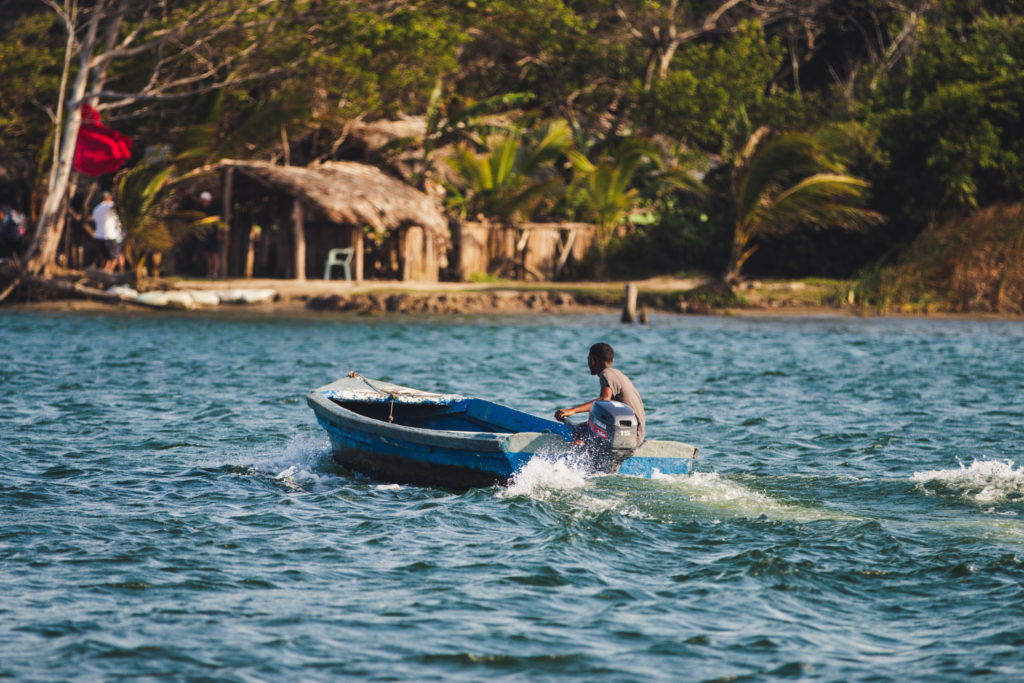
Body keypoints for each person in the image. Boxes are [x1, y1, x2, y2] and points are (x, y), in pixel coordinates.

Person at [555, 342, 647, 444]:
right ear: (611, 360)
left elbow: (604, 400)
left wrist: (572, 410)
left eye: (588, 359)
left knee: (579, 438)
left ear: (593, 360)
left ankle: (579, 447)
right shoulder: (619, 375)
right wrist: (587, 425)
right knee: (581, 430)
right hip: (635, 435)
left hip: (627, 437)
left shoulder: (606, 373)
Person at [91, 191, 123, 273]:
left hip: (100, 235)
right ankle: (108, 274)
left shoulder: (96, 209)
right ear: (107, 198)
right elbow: (116, 205)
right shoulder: (106, 206)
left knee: (107, 259)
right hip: (110, 236)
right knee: (115, 257)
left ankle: (106, 273)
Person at [199, 191, 220, 277]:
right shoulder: (201, 209)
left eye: (205, 200)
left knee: (214, 253)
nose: (204, 202)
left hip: (213, 234)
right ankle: (209, 272)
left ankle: (215, 273)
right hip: (205, 234)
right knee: (207, 254)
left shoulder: (213, 209)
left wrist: (218, 233)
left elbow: (218, 221)